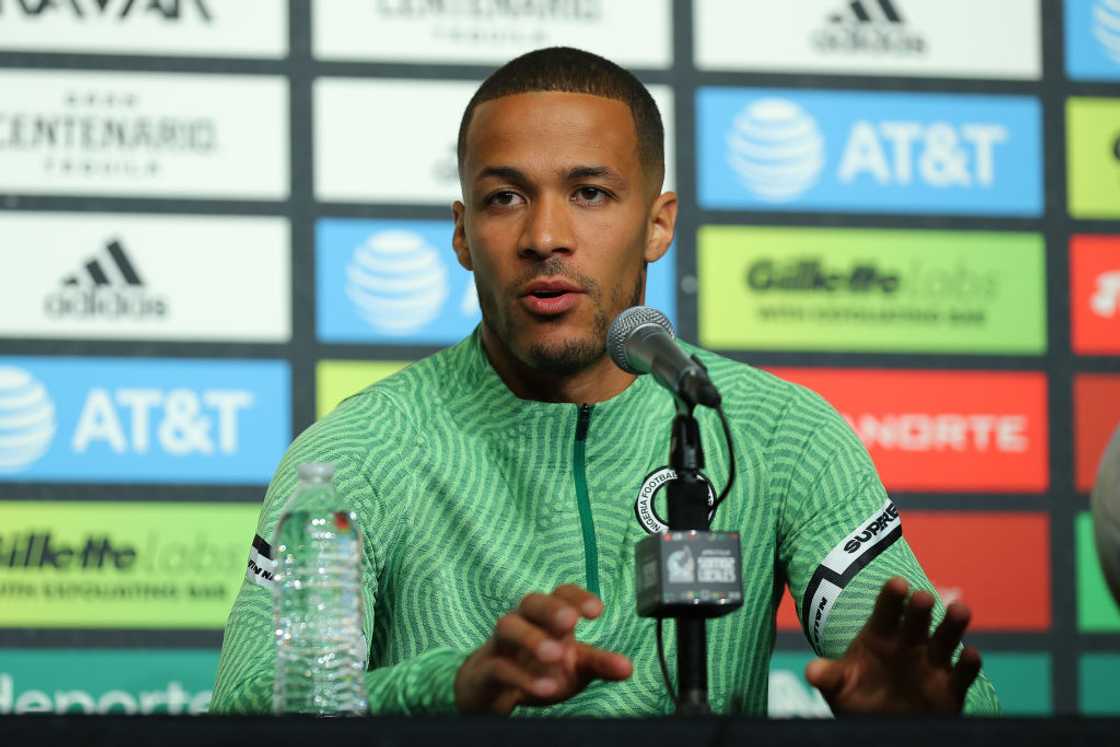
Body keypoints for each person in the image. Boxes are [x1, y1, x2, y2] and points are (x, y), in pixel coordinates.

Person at [211, 46, 999, 717]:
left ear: (658, 222)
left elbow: (922, 677)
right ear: (461, 233)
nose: (545, 237)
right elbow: (249, 706)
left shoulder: (773, 430)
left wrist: (930, 723)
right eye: (504, 197)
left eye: (589, 193)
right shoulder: (361, 450)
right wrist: (447, 684)